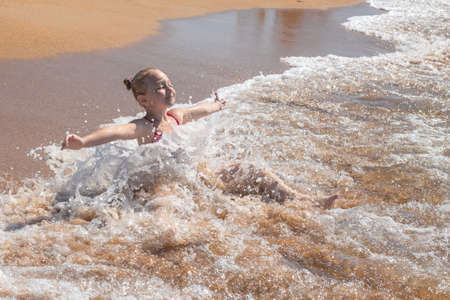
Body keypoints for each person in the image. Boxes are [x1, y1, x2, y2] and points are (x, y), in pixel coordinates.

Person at [61, 68, 336, 208]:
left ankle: (305, 201)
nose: (169, 88)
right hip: (160, 184)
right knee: (165, 204)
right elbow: (115, 132)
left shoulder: (177, 115)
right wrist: (83, 142)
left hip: (193, 176)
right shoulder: (145, 126)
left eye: (169, 83)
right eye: (161, 87)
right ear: (144, 99)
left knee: (252, 170)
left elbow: (200, 109)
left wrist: (217, 105)